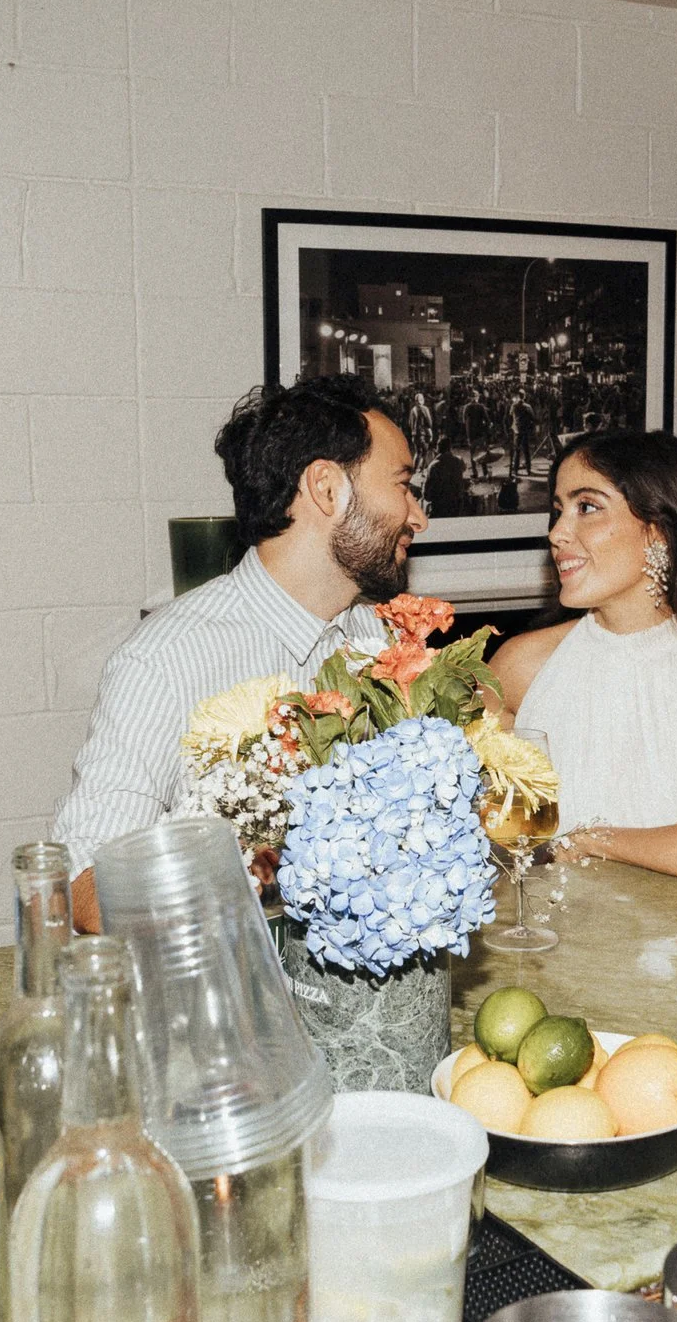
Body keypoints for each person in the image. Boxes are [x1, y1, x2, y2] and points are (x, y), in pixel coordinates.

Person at [52, 374, 428, 925]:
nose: (418, 516)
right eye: (402, 485)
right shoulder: (167, 659)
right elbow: (84, 885)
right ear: (326, 488)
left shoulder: (380, 639)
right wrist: (240, 865)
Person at [486, 431, 677, 893]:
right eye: (558, 510)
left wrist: (592, 840)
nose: (557, 533)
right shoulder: (521, 665)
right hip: (547, 945)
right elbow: (465, 825)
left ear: (659, 531)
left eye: (586, 507)